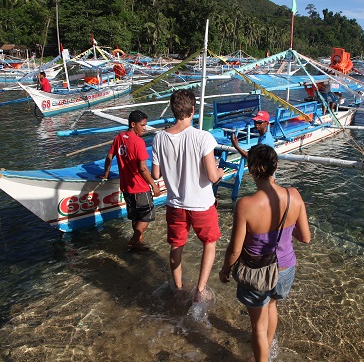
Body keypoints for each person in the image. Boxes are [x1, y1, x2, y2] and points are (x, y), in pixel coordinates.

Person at [219, 144, 311, 362]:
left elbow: (235, 249)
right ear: (275, 166)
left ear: (250, 170)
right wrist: (284, 226)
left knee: (257, 326)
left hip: (257, 272)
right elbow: (305, 237)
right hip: (286, 269)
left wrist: (225, 269)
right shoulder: (294, 196)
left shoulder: (245, 205)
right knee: (272, 305)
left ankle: (262, 356)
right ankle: (267, 350)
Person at [151, 89, 225, 301]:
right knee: (209, 244)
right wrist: (220, 172)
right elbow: (212, 176)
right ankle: (200, 291)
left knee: (176, 245)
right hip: (201, 204)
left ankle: (178, 287)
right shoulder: (203, 137)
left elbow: (156, 174)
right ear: (193, 110)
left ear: (174, 110)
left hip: (175, 204)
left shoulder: (159, 138)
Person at [100, 110, 160, 251]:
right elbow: (143, 169)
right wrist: (154, 185)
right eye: (142, 125)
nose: (145, 128)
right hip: (139, 187)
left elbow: (109, 157)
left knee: (135, 216)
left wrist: (106, 174)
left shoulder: (119, 137)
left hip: (126, 187)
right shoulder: (138, 142)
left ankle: (138, 242)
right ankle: (133, 241)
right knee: (147, 215)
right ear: (133, 124)